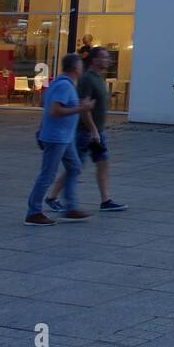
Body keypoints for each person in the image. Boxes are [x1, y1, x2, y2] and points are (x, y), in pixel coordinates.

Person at [45, 46, 125, 214]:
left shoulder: (98, 78)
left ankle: (105, 200)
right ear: (94, 60)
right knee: (75, 167)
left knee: (102, 163)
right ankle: (54, 198)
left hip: (96, 132)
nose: (108, 60)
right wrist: (93, 130)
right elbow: (84, 107)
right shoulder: (87, 79)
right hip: (86, 133)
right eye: (104, 57)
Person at [25, 53, 94, 226]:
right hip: (56, 138)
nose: (82, 68)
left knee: (74, 167)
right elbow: (55, 111)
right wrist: (80, 108)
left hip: (65, 138)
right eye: (80, 65)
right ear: (75, 68)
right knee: (47, 175)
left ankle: (70, 208)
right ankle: (33, 213)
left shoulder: (61, 84)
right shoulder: (63, 86)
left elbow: (45, 105)